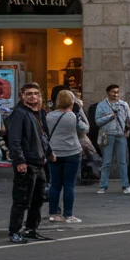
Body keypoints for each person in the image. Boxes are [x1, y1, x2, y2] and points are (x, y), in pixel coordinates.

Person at [6, 82, 50, 242]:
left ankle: (31, 228)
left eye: (36, 94)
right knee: (21, 200)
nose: (33, 96)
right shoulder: (19, 113)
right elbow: (15, 139)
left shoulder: (37, 113)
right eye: (29, 94)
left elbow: (42, 136)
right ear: (22, 96)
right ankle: (14, 232)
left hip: (39, 162)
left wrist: (49, 153)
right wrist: (19, 160)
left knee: (38, 200)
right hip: (27, 163)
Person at [46, 88, 89, 225]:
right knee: (69, 185)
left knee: (55, 184)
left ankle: (53, 213)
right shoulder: (73, 116)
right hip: (71, 152)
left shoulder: (49, 116)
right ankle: (68, 214)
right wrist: (80, 110)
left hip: (54, 152)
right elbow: (85, 128)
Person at [95, 84, 130, 195]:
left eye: (117, 92)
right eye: (113, 92)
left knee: (123, 161)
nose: (115, 94)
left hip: (121, 135)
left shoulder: (124, 105)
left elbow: (129, 120)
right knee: (106, 161)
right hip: (108, 135)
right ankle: (103, 185)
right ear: (108, 93)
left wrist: (127, 130)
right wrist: (110, 116)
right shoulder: (102, 105)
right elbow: (98, 121)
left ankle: (126, 185)